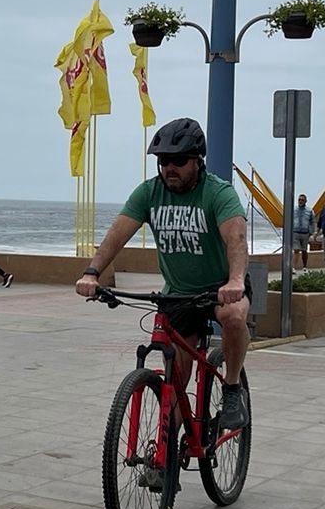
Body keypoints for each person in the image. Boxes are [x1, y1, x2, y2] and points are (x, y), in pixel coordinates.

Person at [73, 117, 249, 429]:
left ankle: (232, 388)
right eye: (164, 161)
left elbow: (235, 238)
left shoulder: (218, 193)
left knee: (234, 316)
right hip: (179, 294)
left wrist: (235, 280)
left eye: (179, 161)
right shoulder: (149, 193)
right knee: (177, 378)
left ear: (197, 161)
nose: (170, 168)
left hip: (220, 288)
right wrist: (92, 272)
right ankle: (163, 462)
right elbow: (117, 234)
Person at [290, 194, 314, 269]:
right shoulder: (293, 209)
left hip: (305, 233)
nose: (300, 201)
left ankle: (304, 266)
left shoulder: (309, 211)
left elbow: (312, 222)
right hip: (295, 232)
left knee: (304, 250)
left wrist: (311, 233)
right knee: (296, 250)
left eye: (302, 200)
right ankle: (294, 267)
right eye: (299, 200)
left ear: (305, 201)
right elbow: (290, 220)